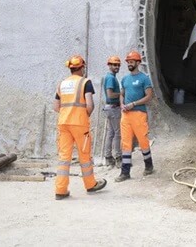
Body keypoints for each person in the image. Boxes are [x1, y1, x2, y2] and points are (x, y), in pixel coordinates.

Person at [53, 54, 107, 199]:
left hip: (63, 123)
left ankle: (61, 190)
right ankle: (90, 185)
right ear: (81, 67)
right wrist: (83, 115)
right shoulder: (85, 82)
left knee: (64, 157)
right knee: (84, 155)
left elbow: (56, 106)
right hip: (79, 124)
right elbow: (89, 104)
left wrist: (67, 113)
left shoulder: (62, 83)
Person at [116, 50, 154, 181]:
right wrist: (122, 104)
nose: (129, 64)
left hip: (139, 114)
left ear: (138, 63)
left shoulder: (144, 78)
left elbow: (149, 96)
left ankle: (149, 166)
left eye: (131, 62)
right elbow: (122, 94)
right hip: (125, 115)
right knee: (126, 143)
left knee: (143, 141)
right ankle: (125, 172)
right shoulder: (125, 79)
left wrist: (133, 104)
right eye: (128, 62)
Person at [101, 55, 122, 168]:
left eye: (118, 65)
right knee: (117, 133)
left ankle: (108, 157)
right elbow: (110, 94)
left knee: (111, 133)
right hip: (113, 108)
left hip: (110, 108)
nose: (116, 67)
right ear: (109, 65)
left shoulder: (111, 77)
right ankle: (118, 158)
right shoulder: (111, 78)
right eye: (114, 65)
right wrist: (122, 93)